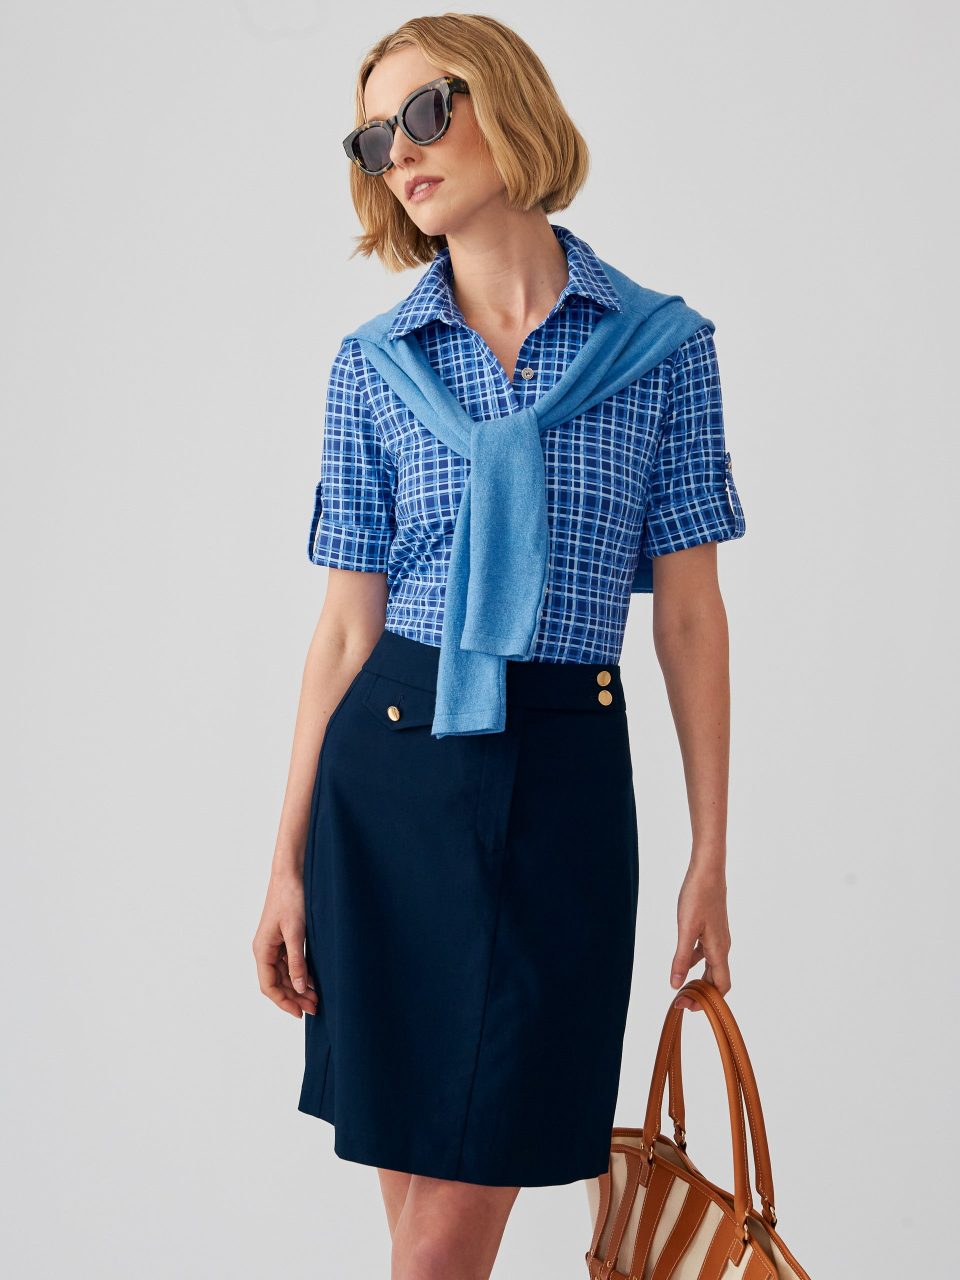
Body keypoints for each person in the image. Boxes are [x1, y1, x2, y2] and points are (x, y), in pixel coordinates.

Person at [252, 13, 746, 1279]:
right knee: (426, 1218)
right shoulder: (373, 367)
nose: (402, 153)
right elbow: (345, 629)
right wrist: (286, 860)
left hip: (564, 779)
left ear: (509, 103)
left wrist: (710, 850)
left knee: (458, 1205)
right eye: (375, 139)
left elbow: (688, 616)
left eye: (427, 112)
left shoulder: (664, 349)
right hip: (389, 782)